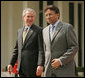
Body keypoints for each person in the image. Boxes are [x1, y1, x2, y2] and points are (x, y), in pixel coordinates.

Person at [43, 5, 79, 77]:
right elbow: (46, 50)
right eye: (46, 15)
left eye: (50, 14)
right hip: (49, 71)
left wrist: (60, 61)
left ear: (58, 14)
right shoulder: (44, 30)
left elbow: (74, 47)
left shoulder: (67, 28)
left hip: (64, 70)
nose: (48, 17)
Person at [7, 8, 45, 77]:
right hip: (21, 68)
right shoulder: (19, 31)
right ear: (23, 17)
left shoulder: (39, 30)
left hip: (33, 69)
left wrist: (40, 64)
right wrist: (11, 63)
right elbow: (16, 49)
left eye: (32, 16)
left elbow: (41, 49)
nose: (30, 18)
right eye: (28, 16)